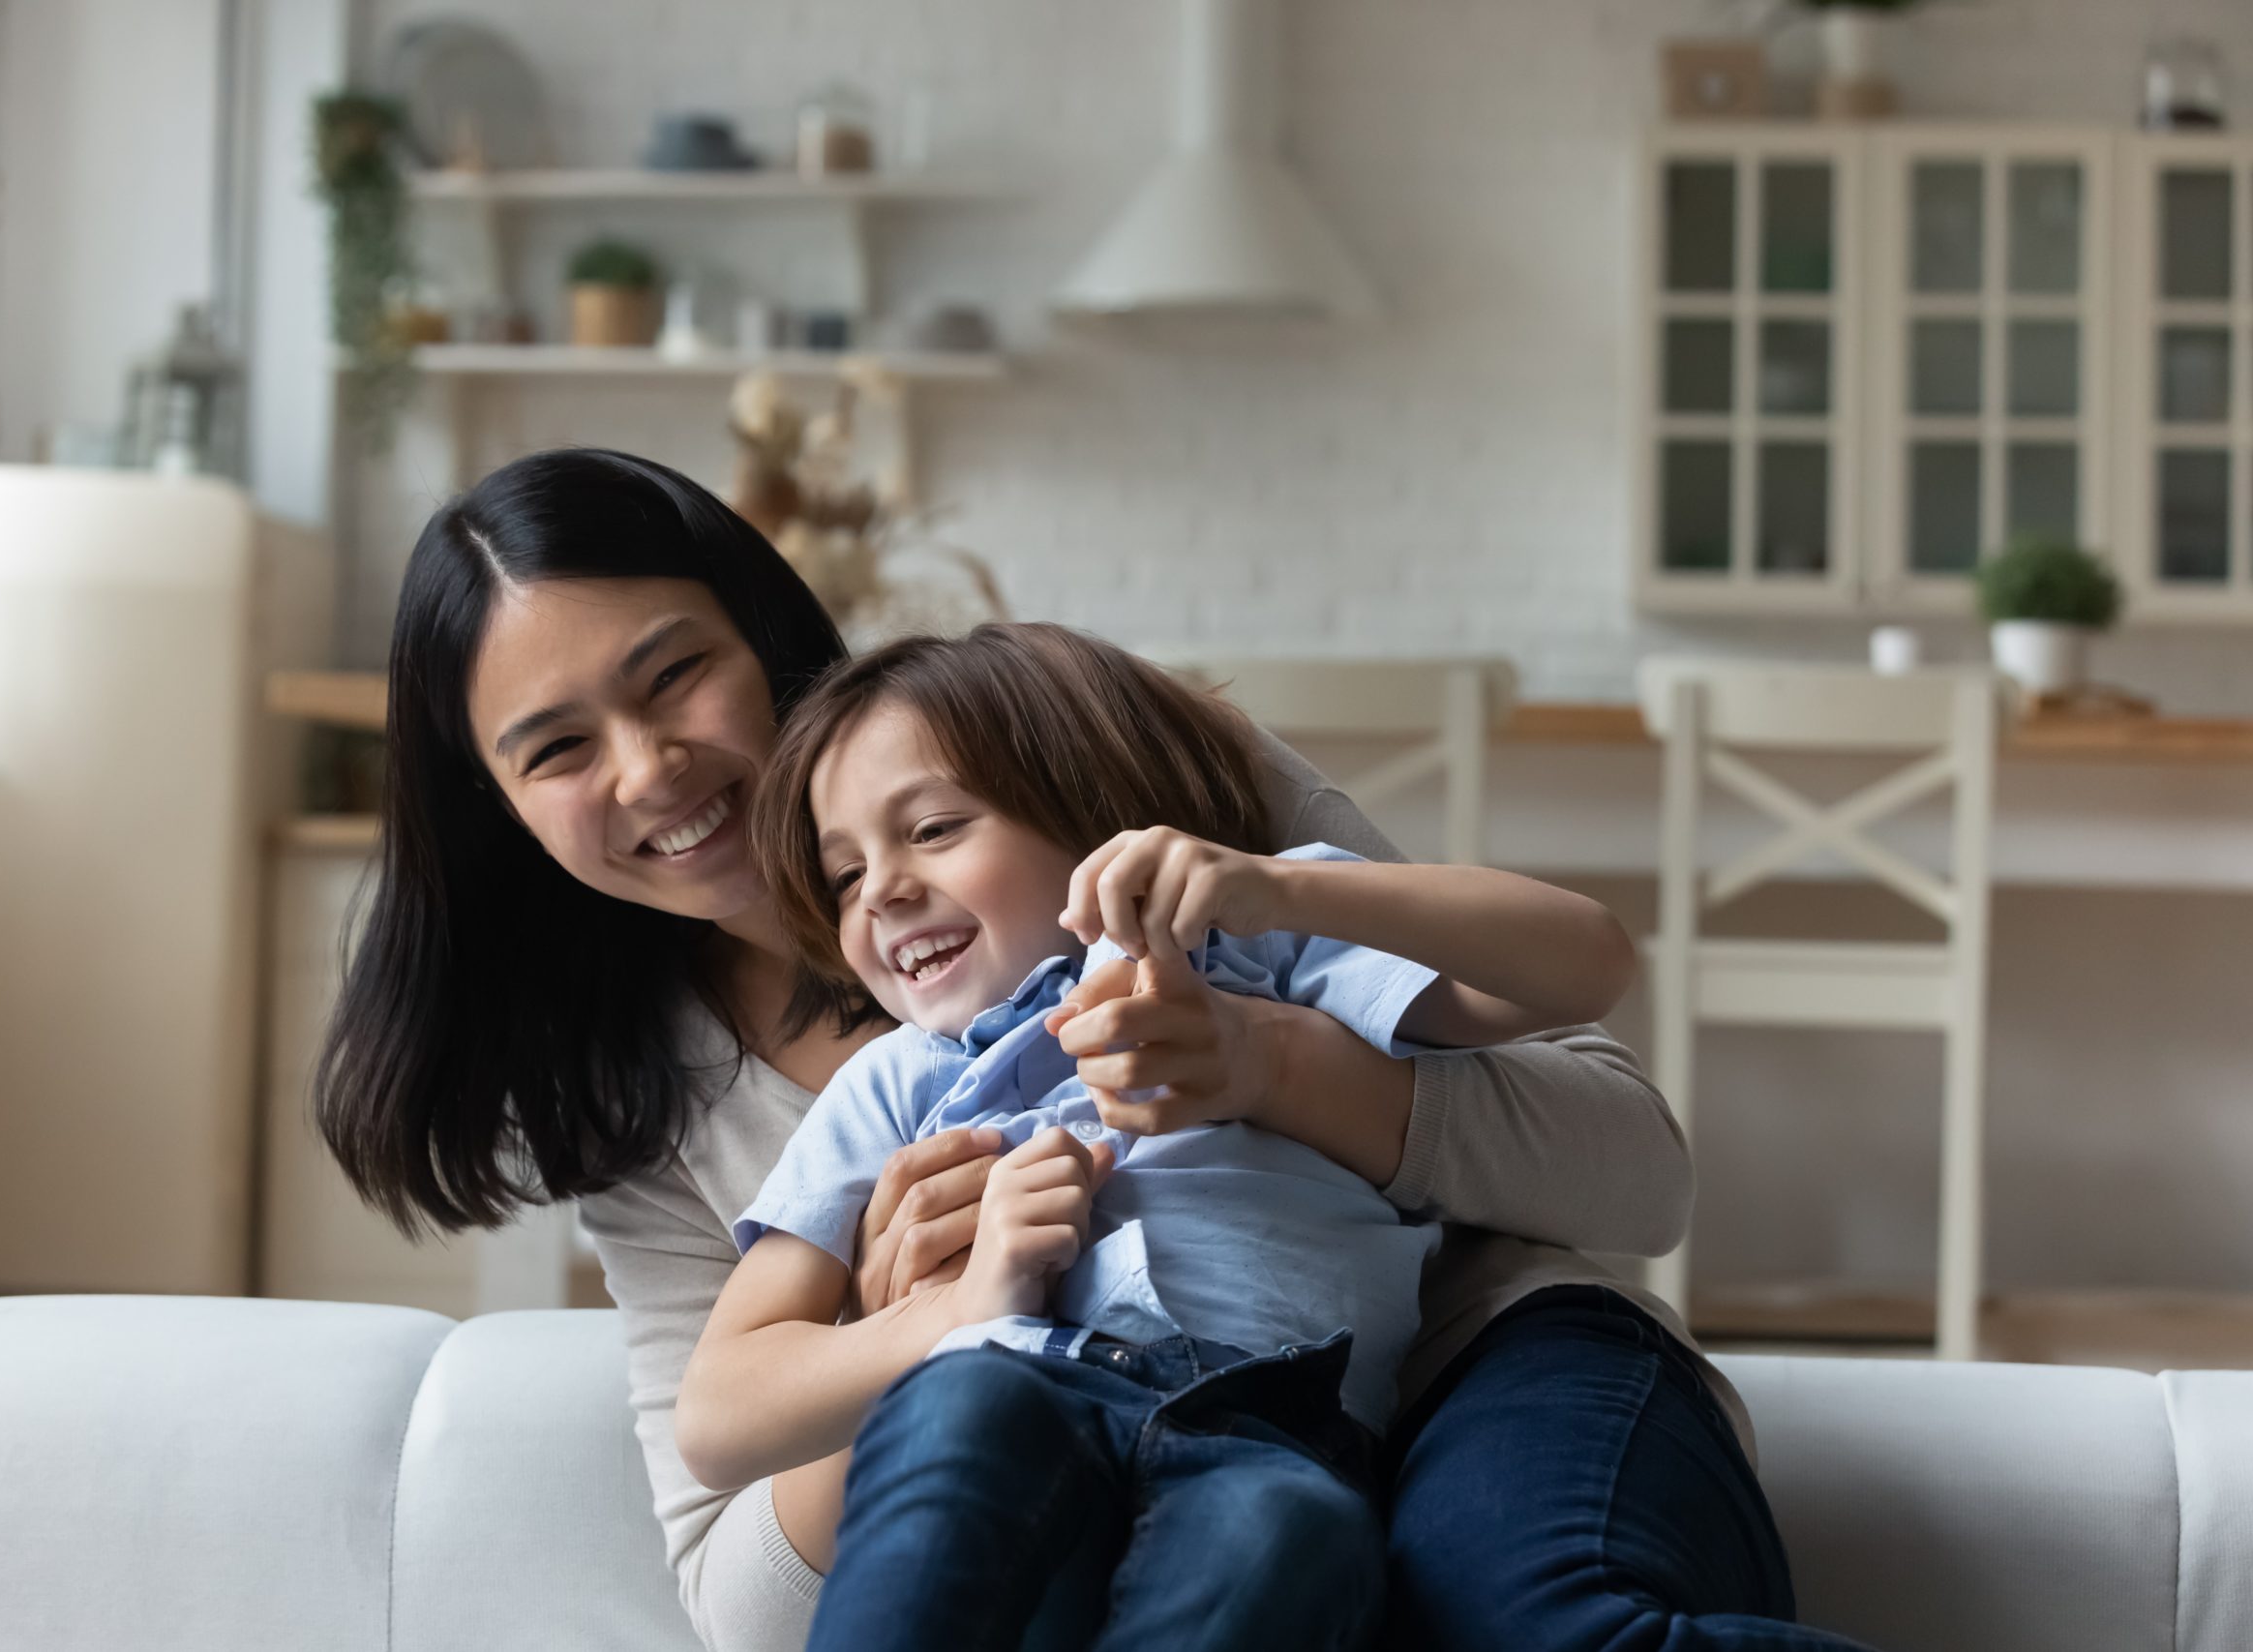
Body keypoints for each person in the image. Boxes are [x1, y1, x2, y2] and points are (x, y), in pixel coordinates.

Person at [316, 447, 1864, 1652]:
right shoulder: (665, 1103)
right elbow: (743, 1586)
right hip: (1090, 1430)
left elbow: (1632, 1163)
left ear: (768, 636)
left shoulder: (1127, 802)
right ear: (502, 812)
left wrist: (1273, 1061)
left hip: (1466, 1357)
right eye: (559, 748)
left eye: (673, 675)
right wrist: (907, 1314)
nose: (652, 768)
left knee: (1503, 1614)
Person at [680, 621, 1646, 1650]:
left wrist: (1280, 884)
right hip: (1015, 1380)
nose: (882, 890)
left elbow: (1585, 966)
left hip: (1274, 1428)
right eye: (842, 878)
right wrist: (959, 1306)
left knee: (1300, 1534)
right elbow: (718, 1413)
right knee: (962, 1433)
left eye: (931, 830)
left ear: (1094, 816)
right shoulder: (897, 1079)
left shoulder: (1258, 954)